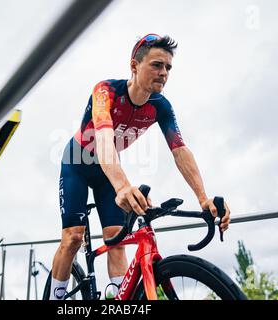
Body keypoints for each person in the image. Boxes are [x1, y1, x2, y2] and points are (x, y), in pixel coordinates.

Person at [49, 34, 231, 300]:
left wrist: (203, 198)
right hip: (77, 163)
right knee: (73, 238)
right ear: (134, 65)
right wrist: (123, 187)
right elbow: (102, 138)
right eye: (157, 65)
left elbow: (180, 150)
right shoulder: (106, 91)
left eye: (168, 67)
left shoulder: (161, 106)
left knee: (117, 237)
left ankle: (119, 298)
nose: (164, 72)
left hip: (107, 170)